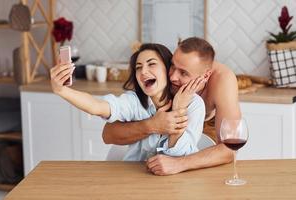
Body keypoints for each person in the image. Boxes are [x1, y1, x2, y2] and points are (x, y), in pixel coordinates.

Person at [102, 37, 241, 175]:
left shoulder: (223, 80)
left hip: (208, 127)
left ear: (206, 76)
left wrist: (180, 163)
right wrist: (151, 125)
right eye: (172, 65)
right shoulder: (157, 74)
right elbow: (108, 134)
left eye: (183, 73)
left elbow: (229, 149)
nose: (173, 77)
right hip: (157, 130)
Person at [50, 43, 206, 161]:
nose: (143, 72)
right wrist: (61, 90)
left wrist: (178, 109)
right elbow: (96, 106)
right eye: (138, 67)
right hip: (133, 178)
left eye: (151, 64)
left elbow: (184, 156)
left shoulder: (194, 104)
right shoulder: (133, 101)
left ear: (167, 69)